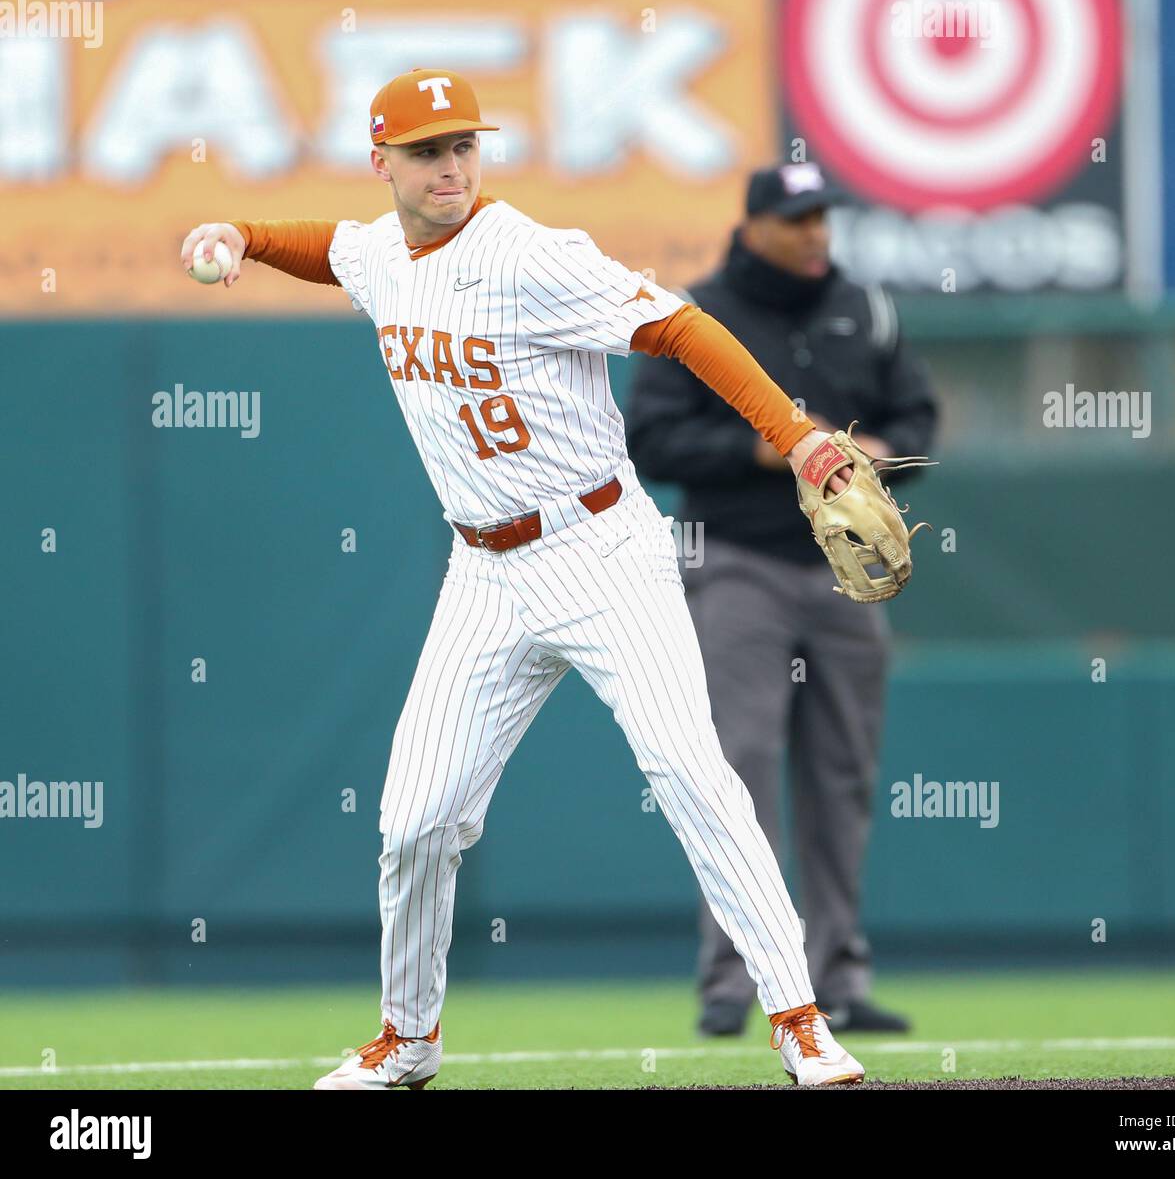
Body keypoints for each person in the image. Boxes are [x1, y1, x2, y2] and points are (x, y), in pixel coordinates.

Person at [179, 70, 869, 1088]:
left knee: (690, 774)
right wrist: (236, 232)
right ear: (384, 164)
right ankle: (407, 1040)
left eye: (462, 144)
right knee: (413, 820)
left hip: (599, 549)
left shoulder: (531, 256)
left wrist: (796, 434)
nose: (450, 165)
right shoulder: (380, 252)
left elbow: (679, 327)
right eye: (425, 151)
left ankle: (801, 1022)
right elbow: (324, 248)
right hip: (484, 571)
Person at [626, 162, 938, 1038]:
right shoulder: (699, 310)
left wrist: (886, 453)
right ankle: (737, 981)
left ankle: (838, 973)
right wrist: (758, 451)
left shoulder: (863, 309)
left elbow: (919, 421)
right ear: (755, 223)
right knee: (737, 770)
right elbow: (651, 439)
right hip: (736, 566)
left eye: (823, 217)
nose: (815, 234)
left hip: (846, 575)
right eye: (798, 219)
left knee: (842, 776)